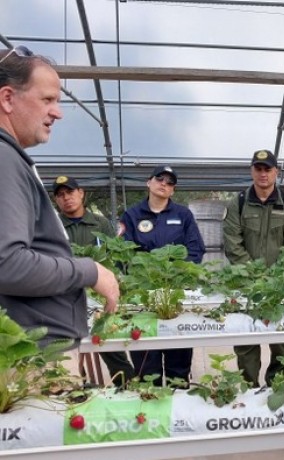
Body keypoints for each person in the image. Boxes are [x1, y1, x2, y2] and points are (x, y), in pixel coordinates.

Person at [0, 45, 119, 347]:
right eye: (48, 99)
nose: (58, 112)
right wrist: (88, 270)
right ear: (7, 98)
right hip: (27, 353)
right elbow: (7, 264)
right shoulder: (3, 158)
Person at [222, 149, 284, 387]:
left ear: (276, 171)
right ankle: (249, 389)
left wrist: (276, 276)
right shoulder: (237, 203)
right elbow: (232, 244)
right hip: (246, 284)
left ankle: (279, 387)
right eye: (258, 169)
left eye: (267, 169)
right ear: (252, 171)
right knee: (246, 341)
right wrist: (255, 275)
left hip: (281, 285)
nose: (263, 173)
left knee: (282, 340)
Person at [119, 165, 204, 386]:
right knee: (147, 364)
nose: (164, 184)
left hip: (174, 296)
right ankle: (150, 398)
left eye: (170, 182)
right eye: (159, 179)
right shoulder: (131, 215)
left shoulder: (183, 215)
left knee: (178, 363)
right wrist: (140, 276)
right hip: (143, 297)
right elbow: (122, 253)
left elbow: (195, 250)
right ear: (149, 182)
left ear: (173, 190)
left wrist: (176, 275)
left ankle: (179, 396)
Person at [52, 176, 135, 387]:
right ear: (56, 200)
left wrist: (114, 285)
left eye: (70, 192)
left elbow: (114, 255)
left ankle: (127, 386)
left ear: (81, 193)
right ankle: (75, 389)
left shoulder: (101, 223)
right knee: (62, 350)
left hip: (98, 295)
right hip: (65, 296)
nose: (66, 198)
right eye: (60, 195)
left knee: (108, 343)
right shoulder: (53, 226)